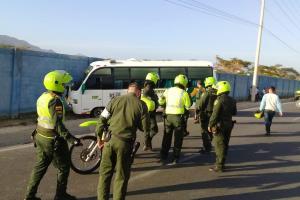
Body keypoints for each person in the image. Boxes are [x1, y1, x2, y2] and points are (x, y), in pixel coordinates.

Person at [24, 70, 80, 200]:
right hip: (53, 140)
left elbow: (40, 117)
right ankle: (60, 196)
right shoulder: (55, 101)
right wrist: (72, 139)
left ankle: (29, 196)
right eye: (65, 85)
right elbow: (58, 125)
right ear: (58, 85)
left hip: (40, 135)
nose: (66, 88)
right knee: (63, 167)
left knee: (40, 167)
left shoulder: (43, 96)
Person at [96, 82, 150, 200]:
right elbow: (145, 128)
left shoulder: (114, 100)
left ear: (128, 91)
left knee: (104, 174)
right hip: (125, 144)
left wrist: (99, 139)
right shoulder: (141, 105)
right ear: (139, 92)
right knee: (121, 177)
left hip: (109, 141)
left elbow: (102, 119)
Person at [159, 74, 191, 165]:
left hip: (168, 117)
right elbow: (188, 106)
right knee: (178, 139)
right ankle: (175, 158)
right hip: (178, 118)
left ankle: (163, 156)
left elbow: (161, 101)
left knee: (167, 137)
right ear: (184, 83)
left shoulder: (168, 90)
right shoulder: (184, 93)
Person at [208, 81, 237, 172]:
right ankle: (221, 163)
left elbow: (215, 114)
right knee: (225, 144)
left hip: (219, 126)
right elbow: (234, 112)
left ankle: (219, 166)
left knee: (219, 145)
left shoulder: (219, 100)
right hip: (229, 124)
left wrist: (210, 125)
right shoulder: (232, 100)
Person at [196, 77, 217, 154]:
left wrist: (197, 112)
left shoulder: (207, 93)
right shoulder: (217, 92)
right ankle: (209, 144)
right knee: (211, 130)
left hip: (206, 114)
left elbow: (201, 104)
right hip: (214, 114)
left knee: (204, 131)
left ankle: (206, 147)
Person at [141, 72, 159, 151]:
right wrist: (155, 99)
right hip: (149, 113)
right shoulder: (148, 89)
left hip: (150, 112)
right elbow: (145, 100)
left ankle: (148, 145)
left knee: (150, 129)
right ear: (153, 80)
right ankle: (146, 143)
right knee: (154, 129)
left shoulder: (148, 88)